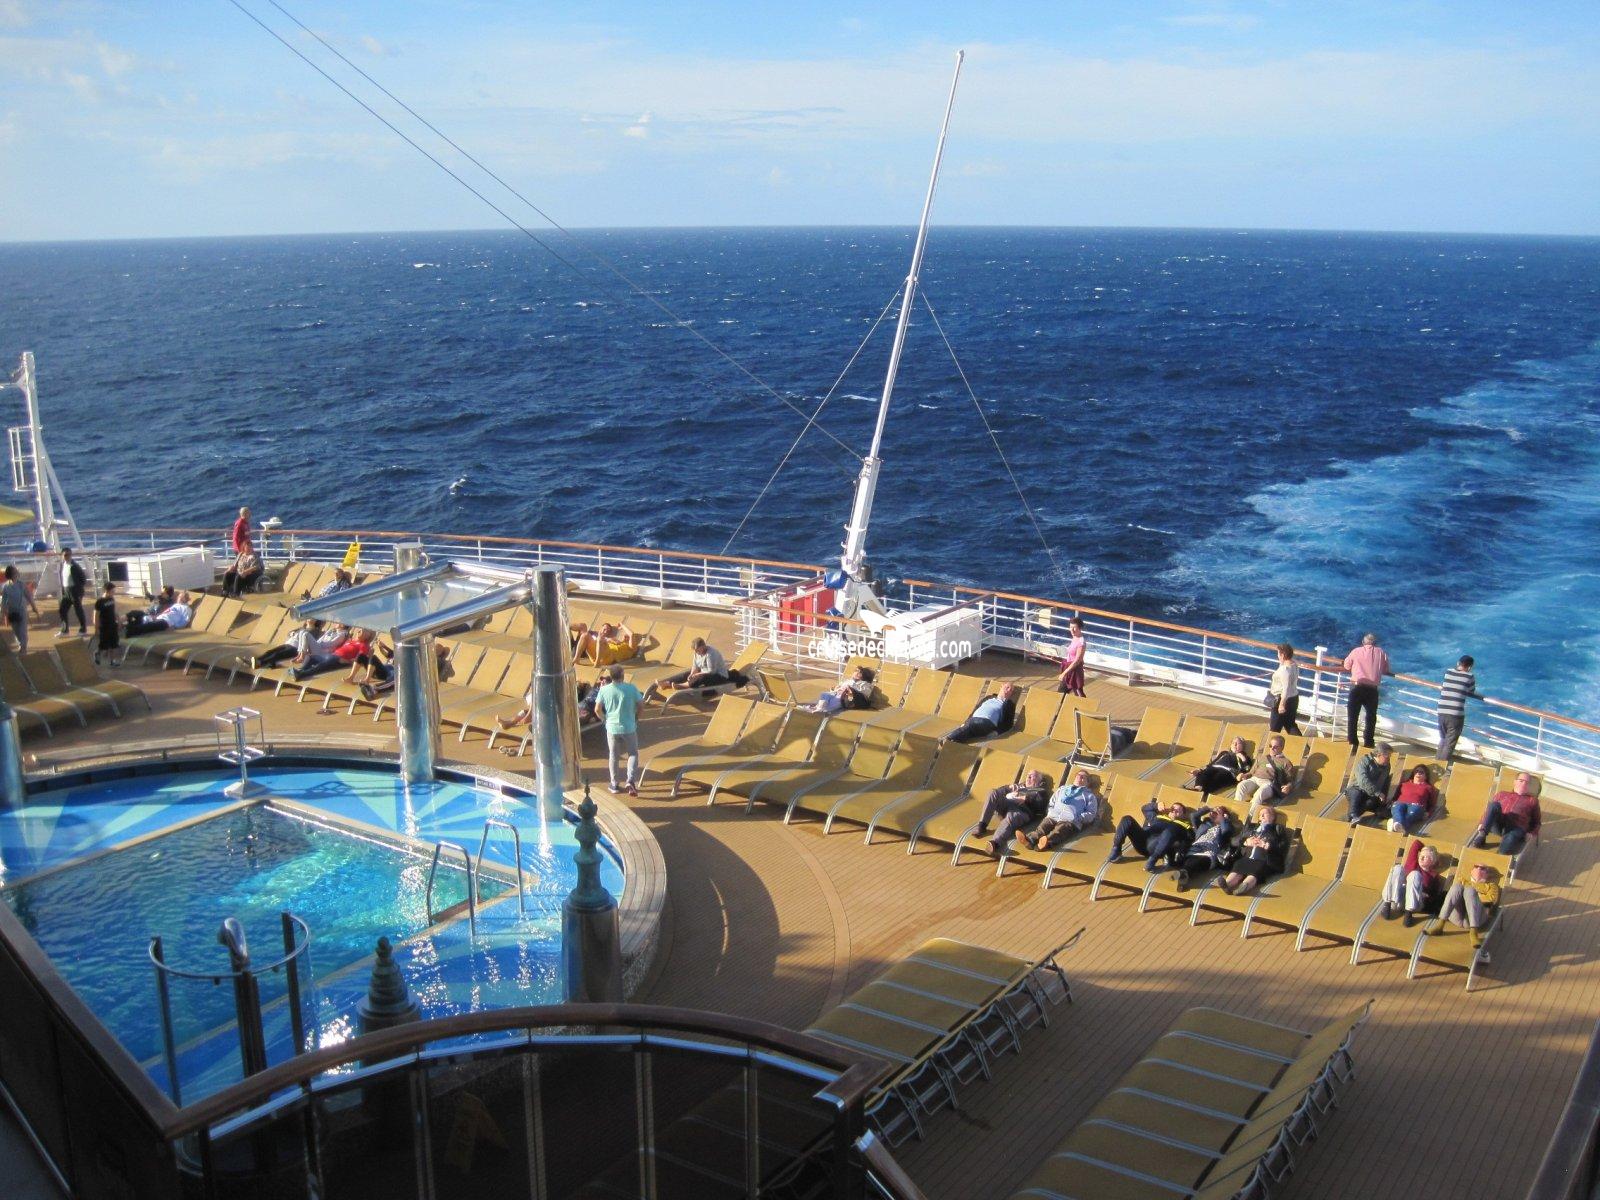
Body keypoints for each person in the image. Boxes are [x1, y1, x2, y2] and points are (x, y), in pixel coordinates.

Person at [974, 769, 1051, 855]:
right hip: (1007, 805)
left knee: (1012, 816)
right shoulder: (1019, 786)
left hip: (1022, 811)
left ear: (1039, 781)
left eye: (1033, 776)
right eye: (1028, 774)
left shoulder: (1040, 791)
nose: (1028, 776)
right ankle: (982, 826)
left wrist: (1027, 799)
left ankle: (995, 843)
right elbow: (999, 792)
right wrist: (1008, 788)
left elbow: (1041, 807)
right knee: (993, 792)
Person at [1434, 861, 1502, 959]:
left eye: (1483, 868)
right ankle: (1440, 925)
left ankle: (1473, 933)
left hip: (1476, 918)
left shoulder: (1492, 886)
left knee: (1470, 891)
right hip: (1457, 916)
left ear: (1487, 874)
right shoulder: (1461, 880)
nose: (1479, 869)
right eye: (1476, 867)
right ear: (1471, 871)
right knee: (1456, 887)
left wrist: (1474, 891)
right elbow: (1451, 896)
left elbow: (1491, 900)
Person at [1108, 798, 1194, 872]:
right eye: (1173, 808)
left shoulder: (1184, 826)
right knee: (1127, 819)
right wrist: (1156, 805)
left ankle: (1151, 862)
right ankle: (1116, 849)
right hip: (1142, 840)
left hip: (1155, 847)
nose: (1175, 810)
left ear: (1183, 815)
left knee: (1170, 830)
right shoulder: (1158, 817)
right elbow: (1144, 809)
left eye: (1179, 810)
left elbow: (1190, 838)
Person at [595, 664, 644, 795]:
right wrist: (636, 718)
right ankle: (630, 780)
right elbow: (641, 705)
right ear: (622, 675)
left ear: (611, 676)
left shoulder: (604, 690)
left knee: (613, 755)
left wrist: (604, 719)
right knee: (633, 754)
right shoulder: (631, 688)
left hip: (612, 727)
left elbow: (597, 709)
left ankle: (614, 784)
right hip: (629, 727)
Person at [1218, 805, 1289, 895]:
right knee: (1238, 865)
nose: (1262, 816)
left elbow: (1283, 846)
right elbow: (1234, 841)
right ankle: (1227, 885)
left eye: (1265, 814)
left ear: (1273, 817)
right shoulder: (1251, 828)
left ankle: (1244, 887)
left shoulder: (1277, 829)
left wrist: (1268, 845)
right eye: (1260, 815)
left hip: (1265, 861)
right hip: (1247, 858)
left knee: (1256, 870)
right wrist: (1245, 841)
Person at [1467, 772, 1542, 856]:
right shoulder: (1502, 794)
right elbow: (1490, 811)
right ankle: (1482, 835)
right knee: (1494, 805)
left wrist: (1531, 833)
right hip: (1498, 825)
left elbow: (1537, 822)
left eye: (1527, 782)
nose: (1524, 784)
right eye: (1521, 780)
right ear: (1515, 782)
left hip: (1515, 828)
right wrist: (1482, 823)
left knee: (1505, 849)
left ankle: (1498, 857)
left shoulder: (1532, 801)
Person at [1026, 769, 1103, 851]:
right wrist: (1050, 812)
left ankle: (1046, 843)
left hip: (1070, 821)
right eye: (1078, 775)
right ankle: (1030, 839)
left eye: (1083, 777)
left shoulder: (1089, 796)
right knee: (1043, 826)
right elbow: (1052, 802)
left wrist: (1076, 818)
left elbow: (1091, 813)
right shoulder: (1062, 789)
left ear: (1087, 783)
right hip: (1053, 816)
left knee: (1059, 830)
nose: (1080, 777)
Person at [1342, 632, 1392, 750]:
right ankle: (1369, 742)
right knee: (1371, 717)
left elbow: (1346, 666)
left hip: (1357, 687)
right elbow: (1385, 669)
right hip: (1372, 690)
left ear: (1363, 642)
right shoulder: (1381, 652)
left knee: (1353, 716)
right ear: (1375, 643)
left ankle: (1353, 742)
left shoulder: (1356, 651)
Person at [1380, 839, 1445, 927]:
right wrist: (1426, 849)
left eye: (1425, 857)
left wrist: (1425, 895)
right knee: (1398, 868)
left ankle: (1408, 915)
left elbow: (1434, 896)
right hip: (1398, 900)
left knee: (1415, 874)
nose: (1421, 858)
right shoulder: (1412, 863)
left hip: (1415, 904)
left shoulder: (1433, 876)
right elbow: (1416, 843)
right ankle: (1387, 905)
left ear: (1432, 861)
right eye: (1421, 855)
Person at [1175, 805, 1240, 891]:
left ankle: (1183, 876)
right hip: (1195, 848)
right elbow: (1193, 816)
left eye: (1217, 813)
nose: (1213, 814)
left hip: (1209, 853)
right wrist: (1208, 809)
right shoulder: (1205, 824)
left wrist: (1222, 819)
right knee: (1191, 860)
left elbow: (1226, 832)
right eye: (1213, 812)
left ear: (1224, 815)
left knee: (1195, 862)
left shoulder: (1227, 826)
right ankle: (1183, 876)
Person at [941, 683, 1018, 744]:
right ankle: (950, 745)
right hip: (973, 721)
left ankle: (948, 739)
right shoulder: (988, 698)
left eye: (1011, 690)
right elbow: (976, 709)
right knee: (967, 734)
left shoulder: (1009, 705)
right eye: (1007, 687)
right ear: (1001, 687)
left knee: (970, 726)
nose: (1009, 690)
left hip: (987, 723)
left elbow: (1008, 724)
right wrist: (966, 722)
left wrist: (997, 732)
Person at [1437, 655, 1481, 762]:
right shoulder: (1469, 676)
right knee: (1449, 743)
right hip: (1455, 714)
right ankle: (1441, 765)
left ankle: (1436, 761)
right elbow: (1471, 691)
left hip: (1441, 710)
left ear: (1458, 663)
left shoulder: (1448, 672)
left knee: (1443, 739)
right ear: (1470, 667)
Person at [1235, 734, 1296, 811]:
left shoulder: (1286, 762)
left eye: (1275, 747)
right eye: (1270, 746)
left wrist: (1288, 787)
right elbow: (1251, 773)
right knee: (1241, 785)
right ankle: (1237, 810)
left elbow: (1291, 780)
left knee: (1259, 793)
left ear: (1282, 748)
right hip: (1254, 779)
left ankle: (1249, 814)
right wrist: (1243, 775)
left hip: (1268, 783)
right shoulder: (1262, 757)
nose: (1272, 748)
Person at [1343, 742, 1394, 826]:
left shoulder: (1387, 766)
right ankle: (1352, 816)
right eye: (1387, 756)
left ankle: (1353, 817)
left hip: (1371, 794)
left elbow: (1384, 782)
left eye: (1390, 756)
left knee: (1370, 802)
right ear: (1379, 755)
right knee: (1356, 794)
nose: (1389, 759)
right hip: (1356, 788)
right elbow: (1363, 780)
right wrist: (1377, 793)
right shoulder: (1364, 761)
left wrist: (1384, 796)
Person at [654, 638, 729, 694]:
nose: (696, 652)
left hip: (719, 676)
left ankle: (682, 686)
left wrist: (697, 674)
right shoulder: (697, 653)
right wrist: (692, 674)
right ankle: (666, 683)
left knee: (701, 677)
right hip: (705, 672)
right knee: (686, 674)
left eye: (697, 650)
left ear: (703, 646)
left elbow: (711, 671)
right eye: (695, 650)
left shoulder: (711, 654)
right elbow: (695, 666)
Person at [1184, 736, 1252, 796]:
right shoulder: (1224, 753)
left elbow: (1247, 769)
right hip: (1215, 767)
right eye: (1233, 743)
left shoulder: (1245, 757)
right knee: (1204, 773)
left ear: (1243, 746)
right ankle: (1197, 788)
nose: (1235, 744)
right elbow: (1212, 764)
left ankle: (1200, 792)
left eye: (1238, 743)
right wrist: (1199, 770)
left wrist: (1243, 758)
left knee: (1217, 777)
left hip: (1229, 773)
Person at [256, 618, 324, 670]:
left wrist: (297, 635)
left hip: (295, 648)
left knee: (277, 654)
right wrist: (292, 633)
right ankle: (258, 660)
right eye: (308, 617)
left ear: (316, 621)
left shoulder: (315, 631)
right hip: (288, 644)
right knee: (271, 651)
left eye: (312, 618)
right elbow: (289, 633)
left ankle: (261, 663)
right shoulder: (301, 628)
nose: (309, 618)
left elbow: (309, 641)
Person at [1389, 765, 1439, 834]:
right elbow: (1395, 797)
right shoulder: (1404, 784)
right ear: (1413, 773)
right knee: (1398, 809)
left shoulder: (1428, 787)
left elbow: (1432, 804)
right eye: (1416, 771)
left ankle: (1395, 824)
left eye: (1421, 772)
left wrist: (1428, 813)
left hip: (1417, 806)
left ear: (1426, 776)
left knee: (1411, 815)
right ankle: (1400, 827)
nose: (1418, 773)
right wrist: (1392, 802)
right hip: (1400, 803)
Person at [2, 564, 39, 652]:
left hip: (22, 610)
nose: (17, 572)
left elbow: (29, 596)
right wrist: (5, 614)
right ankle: (21, 643)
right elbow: (4, 601)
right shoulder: (6, 587)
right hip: (12, 611)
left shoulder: (21, 584)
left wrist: (34, 607)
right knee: (16, 631)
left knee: (22, 630)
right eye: (15, 571)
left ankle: (23, 647)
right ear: (11, 574)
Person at [1267, 643, 1302, 735]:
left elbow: (1286, 689)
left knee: (1274, 728)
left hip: (1282, 699)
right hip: (1294, 698)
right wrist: (1281, 662)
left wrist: (1281, 705)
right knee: (1290, 724)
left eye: (1278, 654)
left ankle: (1273, 743)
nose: (1277, 656)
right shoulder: (1294, 664)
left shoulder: (1284, 670)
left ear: (1282, 655)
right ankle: (1300, 743)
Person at [125, 590, 194, 636]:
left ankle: (129, 631)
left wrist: (174, 627)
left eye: (182, 597)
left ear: (186, 599)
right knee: (138, 614)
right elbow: (166, 613)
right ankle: (126, 625)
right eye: (179, 596)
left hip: (167, 622)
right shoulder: (175, 605)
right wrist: (156, 617)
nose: (179, 598)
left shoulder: (186, 609)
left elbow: (184, 622)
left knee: (148, 626)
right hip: (158, 618)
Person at [56, 547, 87, 637]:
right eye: (65, 555)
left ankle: (83, 629)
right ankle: (65, 631)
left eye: (69, 555)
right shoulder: (63, 565)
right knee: (62, 610)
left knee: (78, 610)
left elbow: (83, 579)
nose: (67, 557)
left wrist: (78, 590)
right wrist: (64, 590)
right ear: (62, 556)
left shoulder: (74, 566)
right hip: (67, 591)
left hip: (75, 591)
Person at [1057, 617, 1087, 697]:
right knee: (1062, 692)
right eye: (1070, 627)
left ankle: (1084, 705)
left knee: (1079, 694)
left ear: (1080, 628)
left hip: (1075, 671)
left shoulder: (1081, 642)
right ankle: (1060, 703)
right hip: (1069, 669)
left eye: (1074, 628)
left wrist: (1064, 673)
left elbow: (1077, 661)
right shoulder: (1075, 637)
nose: (1072, 630)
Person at [92, 582, 120, 665]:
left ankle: (113, 661)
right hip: (104, 626)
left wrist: (118, 621)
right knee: (104, 644)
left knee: (114, 643)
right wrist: (96, 628)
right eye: (112, 591)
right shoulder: (100, 602)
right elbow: (96, 616)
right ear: (106, 591)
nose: (114, 593)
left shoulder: (112, 599)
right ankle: (98, 653)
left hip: (112, 624)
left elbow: (114, 611)